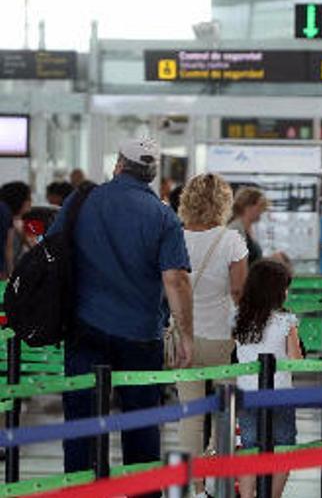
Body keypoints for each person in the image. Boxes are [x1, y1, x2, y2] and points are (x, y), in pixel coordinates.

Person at [58, 138, 193, 481]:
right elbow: (175, 280)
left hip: (84, 327)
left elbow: (52, 247)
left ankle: (80, 489)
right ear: (152, 173)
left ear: (119, 164)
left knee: (82, 421)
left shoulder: (82, 200)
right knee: (141, 422)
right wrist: (185, 334)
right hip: (140, 334)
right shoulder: (164, 216)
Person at [177, 174, 248, 494]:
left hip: (184, 338)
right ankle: (216, 475)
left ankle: (190, 479)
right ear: (223, 203)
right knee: (223, 412)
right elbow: (239, 291)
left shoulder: (175, 237)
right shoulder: (231, 240)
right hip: (221, 336)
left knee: (190, 414)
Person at [233, 259, 300, 498]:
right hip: (280, 394)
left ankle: (248, 494)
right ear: (277, 291)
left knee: (250, 448)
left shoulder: (238, 318)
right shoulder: (286, 321)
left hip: (247, 395)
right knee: (284, 446)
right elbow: (296, 360)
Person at [229, 187, 269, 265]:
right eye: (260, 206)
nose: (262, 210)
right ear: (248, 206)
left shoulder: (250, 230)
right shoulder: (235, 230)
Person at [1, 181, 33, 273]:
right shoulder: (19, 223)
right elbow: (40, 246)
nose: (31, 202)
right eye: (29, 198)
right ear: (20, 200)